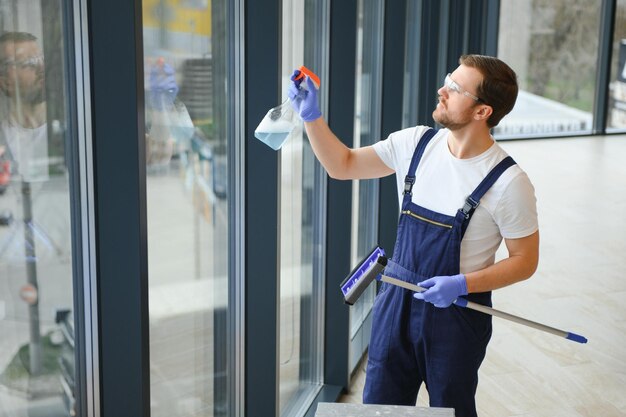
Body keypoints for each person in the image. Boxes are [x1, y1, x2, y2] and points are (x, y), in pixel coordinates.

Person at [288, 55, 539, 417]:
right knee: (381, 408)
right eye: (448, 79)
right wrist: (311, 118)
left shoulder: (509, 183)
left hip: (456, 312)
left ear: (483, 111)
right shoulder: (416, 145)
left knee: (452, 408)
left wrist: (462, 283)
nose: (442, 90)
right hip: (396, 301)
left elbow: (525, 262)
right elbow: (341, 165)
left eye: (455, 88)